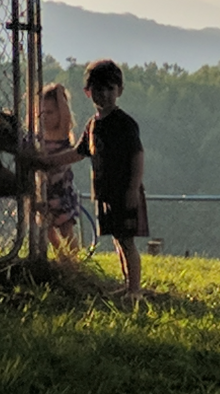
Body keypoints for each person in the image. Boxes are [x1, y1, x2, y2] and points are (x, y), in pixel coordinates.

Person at [35, 60, 147, 298]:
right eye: (97, 89)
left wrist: (133, 189)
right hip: (106, 193)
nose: (104, 94)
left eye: (109, 88)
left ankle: (135, 289)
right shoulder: (93, 125)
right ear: (88, 93)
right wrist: (48, 161)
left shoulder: (124, 124)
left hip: (124, 191)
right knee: (118, 241)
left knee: (127, 242)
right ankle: (128, 285)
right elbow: (78, 152)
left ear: (119, 90)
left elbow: (137, 156)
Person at [40, 82, 80, 255]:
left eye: (50, 112)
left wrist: (59, 93)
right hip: (44, 190)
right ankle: (62, 256)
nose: (45, 117)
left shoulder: (61, 134)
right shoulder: (39, 135)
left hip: (62, 190)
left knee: (66, 229)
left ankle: (74, 259)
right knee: (46, 228)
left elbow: (65, 116)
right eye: (42, 113)